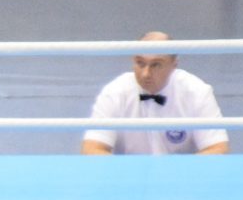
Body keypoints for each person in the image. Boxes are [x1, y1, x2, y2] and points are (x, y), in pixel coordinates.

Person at [81, 31, 230, 155]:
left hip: (182, 177)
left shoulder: (197, 91)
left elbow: (218, 149)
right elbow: (92, 148)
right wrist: (127, 173)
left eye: (156, 65)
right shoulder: (115, 92)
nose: (145, 74)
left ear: (174, 65)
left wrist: (178, 173)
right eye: (140, 63)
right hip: (127, 177)